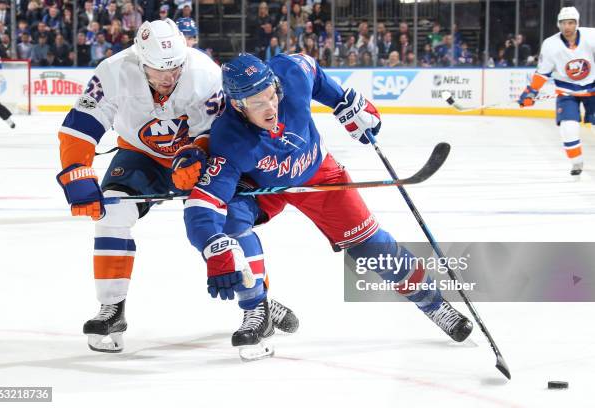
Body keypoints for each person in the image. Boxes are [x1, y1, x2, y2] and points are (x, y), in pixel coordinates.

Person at [175, 53, 473, 359]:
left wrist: (344, 101)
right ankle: (256, 307)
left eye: (271, 95)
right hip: (265, 186)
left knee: (370, 247)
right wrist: (212, 246)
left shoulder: (289, 75)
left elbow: (312, 70)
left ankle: (435, 305)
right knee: (230, 228)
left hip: (318, 175)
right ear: (237, 105)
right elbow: (205, 203)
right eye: (258, 102)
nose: (271, 107)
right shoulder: (229, 136)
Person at [55, 19, 297, 353]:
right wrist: (76, 168)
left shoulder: (204, 72)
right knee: (111, 211)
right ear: (141, 61)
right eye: (159, 71)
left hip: (194, 157)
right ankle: (112, 309)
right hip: (141, 154)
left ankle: (258, 304)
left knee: (226, 222)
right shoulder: (112, 71)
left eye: (176, 69)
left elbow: (220, 131)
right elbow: (81, 124)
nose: (170, 78)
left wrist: (197, 153)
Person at [519, 7, 593, 175]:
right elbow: (542, 73)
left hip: (592, 89)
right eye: (563, 23)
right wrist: (531, 92)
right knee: (568, 128)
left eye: (571, 23)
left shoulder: (591, 36)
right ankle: (577, 162)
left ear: (577, 24)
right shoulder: (550, 44)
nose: (567, 27)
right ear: (558, 24)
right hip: (567, 92)